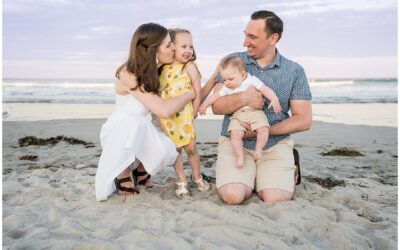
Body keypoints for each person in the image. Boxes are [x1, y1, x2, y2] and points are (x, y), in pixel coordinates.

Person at [205, 10, 312, 204]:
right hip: (235, 142)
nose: (245, 42)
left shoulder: (294, 70)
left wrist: (259, 132)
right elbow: (217, 106)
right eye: (245, 34)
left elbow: (303, 120)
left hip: (274, 144)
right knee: (233, 196)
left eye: (252, 37)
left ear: (273, 38)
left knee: (274, 198)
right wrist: (245, 97)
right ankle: (250, 176)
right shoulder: (233, 61)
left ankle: (282, 167)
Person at [95, 23, 195, 202]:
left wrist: (213, 80)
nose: (174, 48)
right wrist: (191, 94)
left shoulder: (157, 70)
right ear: (153, 50)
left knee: (169, 145)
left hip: (143, 129)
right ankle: (122, 172)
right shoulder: (129, 73)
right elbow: (163, 109)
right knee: (136, 122)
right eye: (168, 45)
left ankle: (140, 168)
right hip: (120, 132)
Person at [198, 55, 281, 168]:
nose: (227, 82)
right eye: (224, 80)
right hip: (237, 115)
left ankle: (258, 149)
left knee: (264, 129)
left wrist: (274, 98)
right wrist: (204, 105)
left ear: (242, 75)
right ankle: (240, 156)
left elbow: (265, 89)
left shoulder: (251, 80)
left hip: (255, 112)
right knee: (235, 135)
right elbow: (215, 96)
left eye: (230, 79)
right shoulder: (227, 87)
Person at [158, 28, 210, 196]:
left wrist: (194, 113)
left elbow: (197, 92)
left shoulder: (189, 67)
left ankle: (197, 177)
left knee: (191, 148)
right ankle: (181, 180)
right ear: (172, 47)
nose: (188, 50)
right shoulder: (162, 68)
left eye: (191, 47)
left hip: (185, 116)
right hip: (169, 117)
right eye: (184, 46)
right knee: (176, 150)